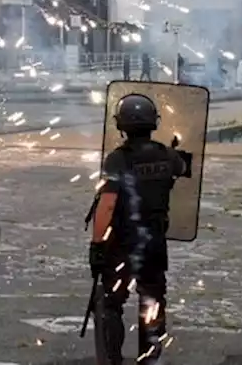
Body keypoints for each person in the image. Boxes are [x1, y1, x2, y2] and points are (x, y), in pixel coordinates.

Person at [87, 93, 190, 365]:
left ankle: (112, 361)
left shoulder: (117, 160)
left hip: (121, 244)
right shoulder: (168, 156)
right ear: (152, 123)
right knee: (152, 303)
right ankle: (150, 360)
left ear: (121, 125)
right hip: (154, 243)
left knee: (110, 304)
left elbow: (107, 205)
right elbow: (183, 166)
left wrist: (97, 245)